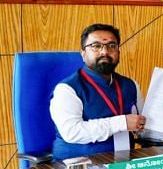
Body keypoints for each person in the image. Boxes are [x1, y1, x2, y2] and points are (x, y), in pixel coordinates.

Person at [50, 24, 145, 160]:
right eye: (96, 46)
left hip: (123, 167)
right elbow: (72, 132)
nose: (104, 52)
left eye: (112, 46)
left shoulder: (130, 85)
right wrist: (121, 123)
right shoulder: (67, 89)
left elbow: (145, 127)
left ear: (118, 52)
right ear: (83, 54)